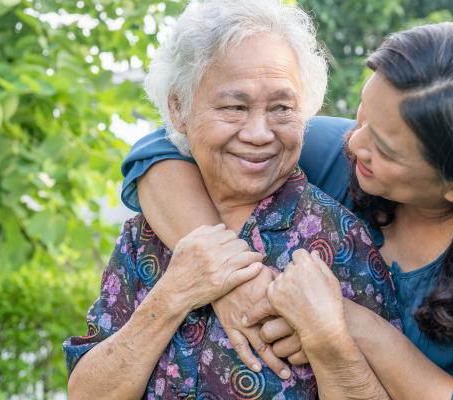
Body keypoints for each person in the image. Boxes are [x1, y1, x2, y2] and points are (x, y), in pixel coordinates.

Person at [121, 21, 453, 399]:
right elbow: (161, 150)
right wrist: (232, 275)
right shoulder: (336, 154)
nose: (353, 144)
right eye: (360, 115)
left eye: (385, 150)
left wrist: (353, 326)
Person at [63, 1, 400, 399]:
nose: (259, 133)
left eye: (281, 108)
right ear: (178, 109)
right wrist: (173, 295)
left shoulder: (341, 242)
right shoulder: (145, 236)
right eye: (234, 107)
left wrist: (326, 340)